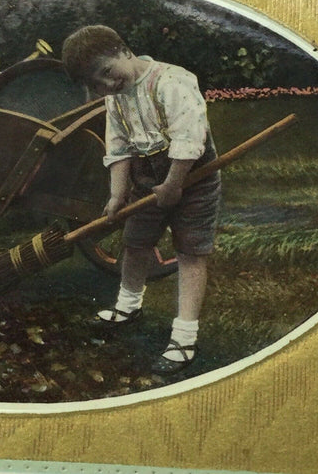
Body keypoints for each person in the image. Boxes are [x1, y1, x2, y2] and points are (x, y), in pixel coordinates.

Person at [62, 25, 221, 375]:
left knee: (190, 252)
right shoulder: (114, 98)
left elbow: (188, 139)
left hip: (191, 174)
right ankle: (128, 306)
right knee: (135, 244)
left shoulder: (172, 81)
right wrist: (118, 194)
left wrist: (174, 184)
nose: (107, 86)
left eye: (107, 72)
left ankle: (184, 337)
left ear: (123, 50)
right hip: (146, 176)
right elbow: (119, 148)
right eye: (97, 83)